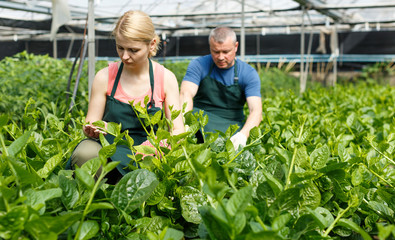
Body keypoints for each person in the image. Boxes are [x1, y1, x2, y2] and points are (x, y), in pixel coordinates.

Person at [67, 10, 184, 184]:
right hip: (109, 147)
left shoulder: (165, 79)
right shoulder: (104, 77)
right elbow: (90, 121)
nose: (125, 56)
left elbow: (178, 131)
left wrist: (157, 146)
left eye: (133, 50)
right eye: (120, 48)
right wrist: (93, 129)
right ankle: (93, 200)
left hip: (148, 152)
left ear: (151, 45)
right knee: (85, 153)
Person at [179, 26, 262, 149]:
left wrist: (243, 135)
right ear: (210, 47)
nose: (221, 57)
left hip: (232, 125)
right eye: (216, 52)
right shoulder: (199, 65)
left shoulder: (248, 73)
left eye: (226, 52)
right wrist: (183, 124)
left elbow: (256, 111)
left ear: (236, 47)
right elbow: (186, 94)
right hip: (201, 121)